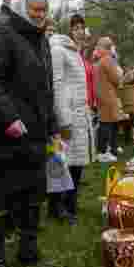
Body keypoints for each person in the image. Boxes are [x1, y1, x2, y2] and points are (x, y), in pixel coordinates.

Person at [0, 0, 61, 267]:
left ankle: (28, 251)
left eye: (43, 10)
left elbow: (44, 87)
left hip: (34, 131)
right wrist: (9, 117)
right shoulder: (1, 31)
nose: (40, 15)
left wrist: (51, 126)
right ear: (23, 7)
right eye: (35, 9)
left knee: (32, 194)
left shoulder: (40, 38)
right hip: (3, 134)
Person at [47, 15, 94, 225]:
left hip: (79, 113)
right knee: (59, 162)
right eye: (76, 28)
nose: (80, 31)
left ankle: (71, 204)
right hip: (65, 116)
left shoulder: (76, 53)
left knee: (76, 164)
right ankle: (57, 207)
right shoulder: (58, 50)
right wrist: (63, 119)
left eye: (82, 28)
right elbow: (56, 85)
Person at [94, 36, 123, 162]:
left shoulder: (100, 61)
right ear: (108, 48)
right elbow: (117, 79)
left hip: (102, 96)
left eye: (98, 46)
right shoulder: (107, 60)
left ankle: (111, 148)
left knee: (109, 124)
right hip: (109, 96)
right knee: (106, 125)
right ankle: (102, 152)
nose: (97, 49)